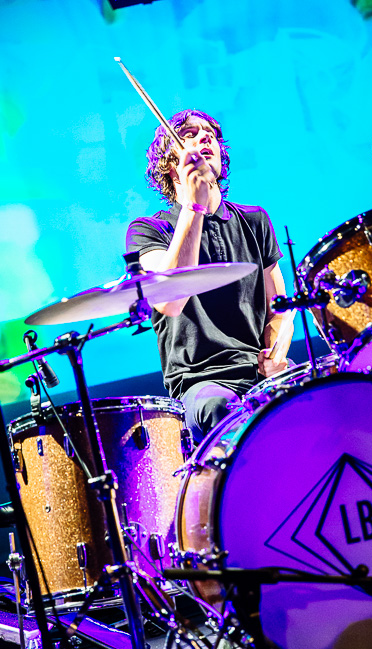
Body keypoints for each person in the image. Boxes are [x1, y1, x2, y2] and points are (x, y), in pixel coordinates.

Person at [126, 109, 293, 444]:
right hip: (200, 384)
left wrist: (275, 356)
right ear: (170, 165)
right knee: (223, 408)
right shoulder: (149, 230)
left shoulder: (255, 220)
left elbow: (280, 310)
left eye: (210, 134)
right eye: (189, 135)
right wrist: (195, 206)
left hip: (258, 375)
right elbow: (170, 302)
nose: (204, 137)